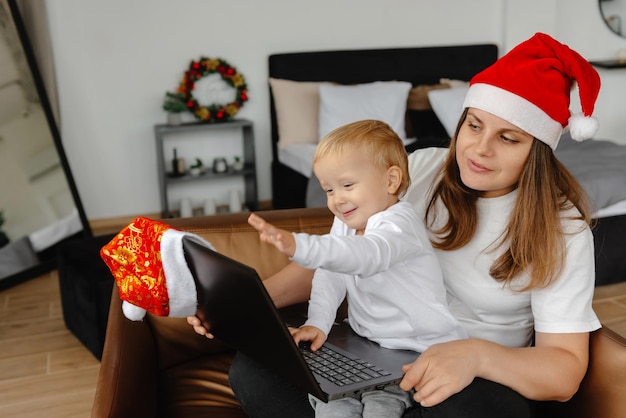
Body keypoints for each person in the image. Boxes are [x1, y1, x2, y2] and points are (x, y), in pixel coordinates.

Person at [188, 32, 602, 418]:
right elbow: (345, 254)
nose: (479, 148)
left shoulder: (562, 229)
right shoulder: (418, 169)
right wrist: (249, 302)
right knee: (253, 371)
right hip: (378, 350)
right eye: (473, 125)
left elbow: (563, 373)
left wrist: (476, 355)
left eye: (508, 138)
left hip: (472, 378)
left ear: (540, 151)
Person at [247, 119, 467, 418]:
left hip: (421, 351)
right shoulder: (347, 222)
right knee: (330, 404)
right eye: (328, 190)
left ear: (391, 181)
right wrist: (319, 323)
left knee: (380, 410)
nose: (337, 200)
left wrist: (302, 247)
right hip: (368, 347)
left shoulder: (399, 225)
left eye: (347, 185)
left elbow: (367, 256)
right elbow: (330, 274)